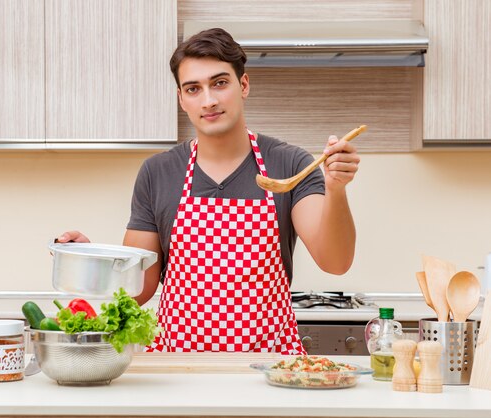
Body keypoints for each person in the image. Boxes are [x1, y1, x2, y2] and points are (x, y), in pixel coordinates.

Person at [58, 28, 360, 354]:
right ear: (181, 99)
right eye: (193, 89)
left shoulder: (289, 164)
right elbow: (138, 290)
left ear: (243, 85)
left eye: (219, 83)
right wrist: (90, 261)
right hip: (177, 371)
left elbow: (335, 261)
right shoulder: (158, 172)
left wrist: (336, 189)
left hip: (269, 369)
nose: (209, 100)